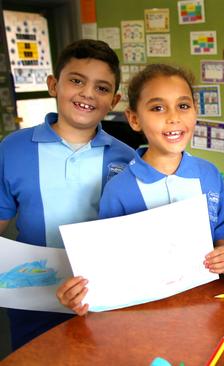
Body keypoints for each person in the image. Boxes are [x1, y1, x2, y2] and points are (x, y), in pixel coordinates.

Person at [57, 64, 224, 316]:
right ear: (134, 119)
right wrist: (87, 291)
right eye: (158, 108)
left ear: (195, 110)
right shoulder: (119, 189)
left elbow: (222, 230)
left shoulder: (209, 174)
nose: (173, 117)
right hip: (144, 312)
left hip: (205, 305)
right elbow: (106, 259)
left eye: (183, 106)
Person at [0, 39, 134, 349]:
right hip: (34, 300)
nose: (88, 93)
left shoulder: (127, 158)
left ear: (113, 100)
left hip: (103, 298)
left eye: (101, 88)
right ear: (53, 84)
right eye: (76, 80)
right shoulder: (12, 149)